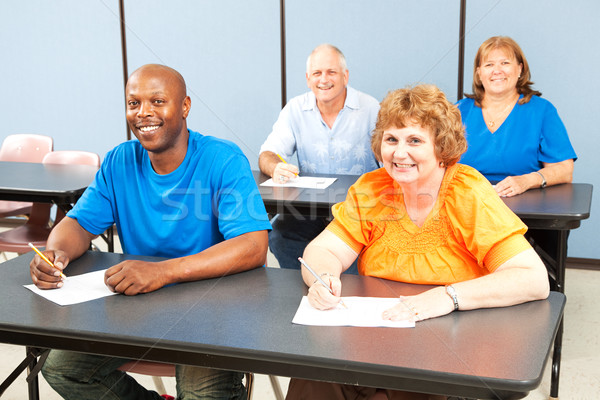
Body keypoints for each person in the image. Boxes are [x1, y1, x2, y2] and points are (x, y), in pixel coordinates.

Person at [285, 85, 550, 400]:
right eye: (391, 139)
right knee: (314, 376)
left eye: (414, 141)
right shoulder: (372, 188)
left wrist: (446, 297)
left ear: (441, 148)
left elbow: (533, 279)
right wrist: (324, 276)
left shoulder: (468, 192)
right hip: (380, 337)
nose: (399, 153)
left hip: (451, 345)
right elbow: (324, 249)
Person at [29, 64, 271, 400]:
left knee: (200, 394)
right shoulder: (119, 161)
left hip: (212, 307)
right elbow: (77, 225)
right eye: (134, 103)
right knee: (62, 369)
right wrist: (58, 253)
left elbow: (253, 246)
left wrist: (163, 272)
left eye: (158, 101)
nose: (144, 113)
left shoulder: (223, 159)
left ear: (184, 106)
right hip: (138, 303)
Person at [258, 43, 380, 273]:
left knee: (358, 252)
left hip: (359, 209)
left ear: (345, 76)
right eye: (317, 73)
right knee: (280, 237)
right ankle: (308, 286)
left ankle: (346, 291)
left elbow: (389, 161)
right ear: (308, 78)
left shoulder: (370, 108)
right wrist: (275, 167)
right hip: (309, 210)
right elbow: (267, 154)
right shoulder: (295, 108)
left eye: (331, 72)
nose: (324, 79)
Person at [457, 36, 576, 198]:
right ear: (479, 73)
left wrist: (527, 181)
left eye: (505, 63)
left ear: (520, 69)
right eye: (489, 64)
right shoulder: (458, 111)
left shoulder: (541, 110)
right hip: (465, 204)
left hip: (524, 205)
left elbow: (564, 169)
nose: (497, 70)